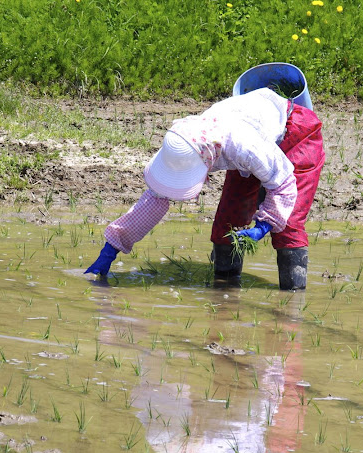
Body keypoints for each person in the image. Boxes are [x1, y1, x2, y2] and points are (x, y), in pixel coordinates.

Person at [86, 63, 325, 290]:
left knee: (288, 225)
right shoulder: (183, 141)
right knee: (228, 220)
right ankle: (225, 291)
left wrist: (265, 224)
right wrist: (113, 245)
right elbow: (156, 197)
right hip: (254, 136)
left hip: (295, 132)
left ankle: (291, 302)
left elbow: (283, 182)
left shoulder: (244, 146)